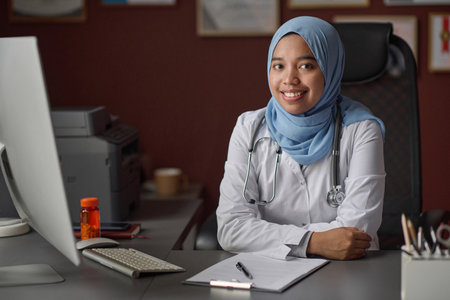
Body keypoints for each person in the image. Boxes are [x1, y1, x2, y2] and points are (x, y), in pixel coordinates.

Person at [216, 16, 386, 261]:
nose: (289, 79)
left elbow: (356, 234)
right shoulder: (249, 128)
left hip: (346, 273)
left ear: (330, 68)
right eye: (279, 66)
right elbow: (231, 229)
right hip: (269, 274)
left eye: (306, 66)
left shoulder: (361, 130)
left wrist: (266, 238)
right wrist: (313, 242)